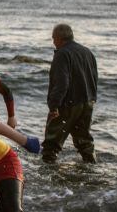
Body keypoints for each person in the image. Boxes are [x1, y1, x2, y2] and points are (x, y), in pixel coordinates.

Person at [42, 24, 98, 163]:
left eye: (54, 38)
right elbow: (94, 77)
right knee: (84, 141)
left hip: (68, 105)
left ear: (60, 38)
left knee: (51, 143)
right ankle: (92, 169)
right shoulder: (87, 52)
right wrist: (92, 99)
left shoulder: (62, 54)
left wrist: (54, 106)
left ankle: (47, 176)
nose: (53, 42)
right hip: (87, 102)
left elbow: (62, 83)